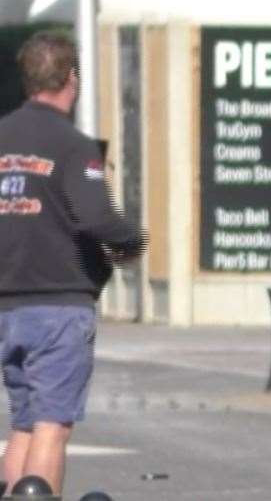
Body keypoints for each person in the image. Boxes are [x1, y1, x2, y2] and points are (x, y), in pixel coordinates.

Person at [0, 31, 146, 495]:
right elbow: (97, 219)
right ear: (72, 80)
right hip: (58, 307)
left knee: (23, 424)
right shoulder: (74, 145)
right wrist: (135, 241)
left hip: (6, 306)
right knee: (51, 425)